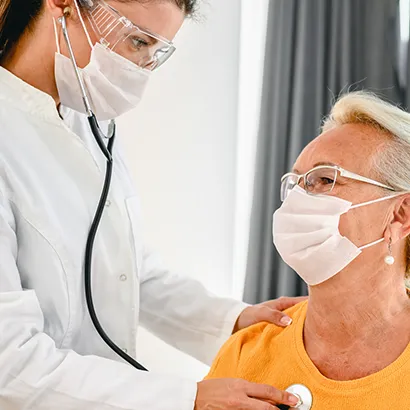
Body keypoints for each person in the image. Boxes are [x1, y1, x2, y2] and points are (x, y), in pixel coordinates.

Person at [0, 0, 305, 409]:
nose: (139, 68)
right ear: (62, 5)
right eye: (136, 40)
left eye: (154, 53)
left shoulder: (91, 123)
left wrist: (230, 321)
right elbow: (10, 364)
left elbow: (125, 270)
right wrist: (186, 399)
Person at [205, 91, 410, 409]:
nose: (298, 199)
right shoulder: (246, 350)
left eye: (324, 179)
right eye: (296, 183)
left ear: (400, 215)